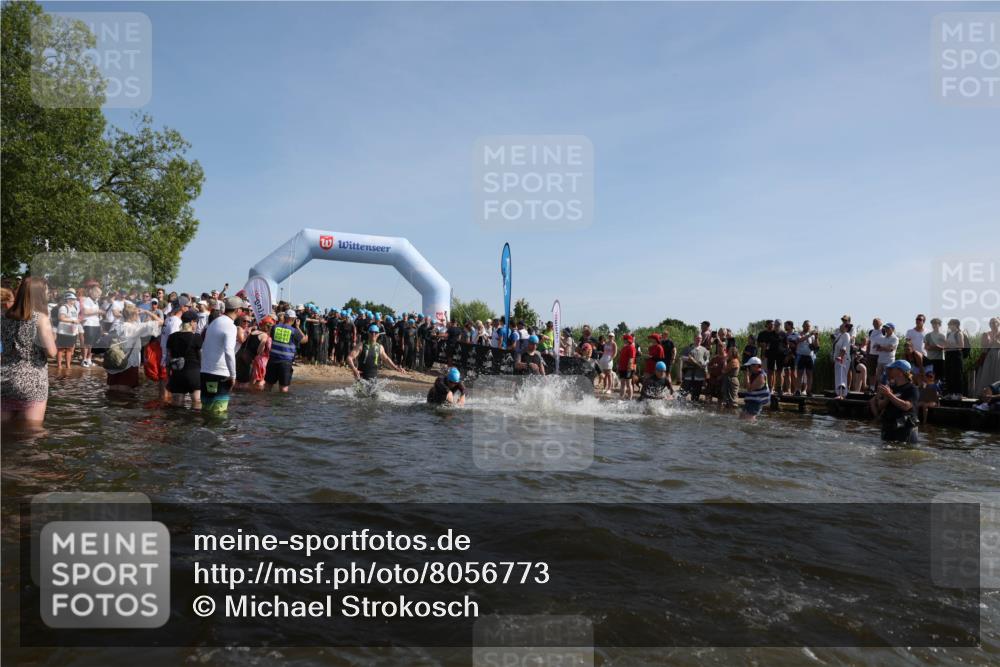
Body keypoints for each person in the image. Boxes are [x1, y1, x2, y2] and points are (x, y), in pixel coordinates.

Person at [1, 277, 58, 425]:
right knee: (30, 434)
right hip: (32, 382)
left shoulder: (3, 317)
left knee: (4, 431)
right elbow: (51, 352)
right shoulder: (40, 318)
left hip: (5, 379)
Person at [104, 303, 163, 393]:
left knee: (112, 390)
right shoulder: (136, 328)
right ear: (135, 315)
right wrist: (147, 312)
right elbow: (160, 322)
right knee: (126, 393)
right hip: (129, 362)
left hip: (114, 361)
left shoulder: (117, 326)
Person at [200, 296, 244, 415]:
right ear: (237, 310)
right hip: (220, 374)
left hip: (205, 372)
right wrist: (233, 375)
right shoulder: (231, 326)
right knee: (219, 413)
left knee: (206, 410)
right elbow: (229, 351)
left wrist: (238, 345)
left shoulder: (215, 322)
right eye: (242, 310)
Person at [869, 359, 920, 444]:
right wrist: (887, 396)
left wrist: (889, 395)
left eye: (892, 369)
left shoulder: (912, 388)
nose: (889, 371)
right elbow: (880, 406)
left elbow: (906, 406)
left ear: (900, 371)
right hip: (889, 426)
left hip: (904, 427)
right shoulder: (891, 387)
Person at [166, 310, 203, 408]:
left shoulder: (172, 337)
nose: (196, 325)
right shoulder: (197, 337)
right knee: (197, 402)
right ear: (192, 322)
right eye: (196, 322)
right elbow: (200, 357)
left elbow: (168, 358)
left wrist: (168, 374)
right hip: (193, 373)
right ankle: (194, 422)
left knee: (176, 404)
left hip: (177, 373)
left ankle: (177, 422)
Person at [266, 309, 308, 393]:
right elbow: (304, 340)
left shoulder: (275, 327)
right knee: (283, 389)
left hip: (272, 360)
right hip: (285, 363)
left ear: (285, 317)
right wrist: (298, 327)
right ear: (293, 319)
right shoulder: (294, 331)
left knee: (268, 386)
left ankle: (266, 404)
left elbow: (268, 334)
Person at [974, 317, 1000, 397]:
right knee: (987, 374)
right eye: (991, 323)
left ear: (998, 323)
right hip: (989, 355)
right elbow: (983, 348)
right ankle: (984, 394)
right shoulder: (986, 334)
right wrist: (991, 342)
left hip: (998, 355)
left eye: (994, 322)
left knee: (997, 374)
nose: (992, 324)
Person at [943, 319, 969, 399]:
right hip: (949, 354)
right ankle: (950, 393)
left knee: (957, 374)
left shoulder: (959, 333)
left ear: (955, 325)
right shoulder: (949, 334)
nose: (949, 326)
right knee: (949, 374)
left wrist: (950, 344)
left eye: (950, 324)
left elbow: (961, 345)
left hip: (956, 355)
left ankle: (959, 393)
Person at [740, 357, 771, 422]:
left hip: (757, 402)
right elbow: (744, 385)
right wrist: (746, 375)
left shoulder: (761, 376)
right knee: (741, 417)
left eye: (749, 366)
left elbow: (749, 389)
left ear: (756, 366)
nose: (748, 368)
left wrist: (746, 375)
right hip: (751, 400)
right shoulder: (753, 374)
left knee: (749, 420)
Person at [55, 292, 80, 370]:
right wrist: (72, 321)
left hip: (72, 332)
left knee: (69, 349)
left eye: (74, 299)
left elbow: (75, 319)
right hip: (63, 332)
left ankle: (68, 366)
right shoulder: (63, 307)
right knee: (61, 349)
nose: (74, 300)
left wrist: (76, 329)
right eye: (73, 299)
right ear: (68, 300)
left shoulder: (74, 307)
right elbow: (61, 318)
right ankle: (59, 366)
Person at [79, 285, 102, 367]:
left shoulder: (96, 301)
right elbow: (85, 311)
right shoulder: (87, 300)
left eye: (100, 294)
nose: (99, 295)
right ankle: (84, 360)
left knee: (94, 343)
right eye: (98, 293)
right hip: (89, 324)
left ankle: (89, 359)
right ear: (93, 292)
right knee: (87, 343)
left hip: (96, 324)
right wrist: (98, 311)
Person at [680, 335, 709, 400]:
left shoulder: (704, 349)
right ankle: (679, 406)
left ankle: (694, 406)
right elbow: (682, 357)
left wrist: (704, 364)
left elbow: (707, 359)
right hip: (689, 374)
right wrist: (688, 359)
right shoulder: (688, 348)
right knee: (683, 393)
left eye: (700, 338)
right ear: (694, 338)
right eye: (697, 338)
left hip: (699, 374)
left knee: (696, 395)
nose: (699, 339)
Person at [872, 322, 899, 391]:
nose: (886, 329)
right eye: (885, 328)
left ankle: (887, 393)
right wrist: (883, 347)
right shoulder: (884, 338)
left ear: (892, 329)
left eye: (888, 328)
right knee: (878, 378)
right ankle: (878, 392)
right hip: (880, 360)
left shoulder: (895, 338)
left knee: (887, 378)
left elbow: (890, 349)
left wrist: (881, 347)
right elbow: (878, 348)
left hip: (889, 361)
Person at [832, 321, 853, 399]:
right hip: (838, 359)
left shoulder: (846, 335)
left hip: (843, 359)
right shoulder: (840, 335)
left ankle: (842, 395)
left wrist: (840, 357)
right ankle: (839, 394)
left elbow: (844, 347)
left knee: (842, 376)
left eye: (843, 325)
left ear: (846, 328)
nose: (840, 326)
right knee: (838, 376)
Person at [923, 317, 947, 382]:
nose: (934, 325)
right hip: (930, 359)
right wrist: (935, 347)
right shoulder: (927, 335)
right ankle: (931, 391)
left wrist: (939, 347)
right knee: (930, 377)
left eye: (936, 324)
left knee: (940, 377)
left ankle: (940, 391)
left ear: (939, 325)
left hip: (940, 359)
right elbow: (926, 347)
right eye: (933, 324)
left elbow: (945, 347)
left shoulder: (943, 335)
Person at [618, 334, 637, 399]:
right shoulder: (624, 347)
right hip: (622, 368)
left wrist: (629, 367)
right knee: (622, 383)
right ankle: (621, 397)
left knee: (628, 383)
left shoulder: (631, 347)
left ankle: (630, 398)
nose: (624, 340)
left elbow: (631, 358)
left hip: (628, 368)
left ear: (628, 340)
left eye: (625, 339)